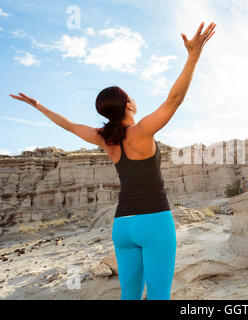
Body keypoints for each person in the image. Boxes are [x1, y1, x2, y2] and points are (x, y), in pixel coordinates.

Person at [9, 21, 216, 299]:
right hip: (154, 220)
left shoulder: (105, 139)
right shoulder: (141, 132)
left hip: (123, 226)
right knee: (158, 293)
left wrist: (38, 106)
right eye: (131, 96)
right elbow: (174, 100)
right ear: (128, 105)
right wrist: (193, 56)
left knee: (129, 294)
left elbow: (69, 125)